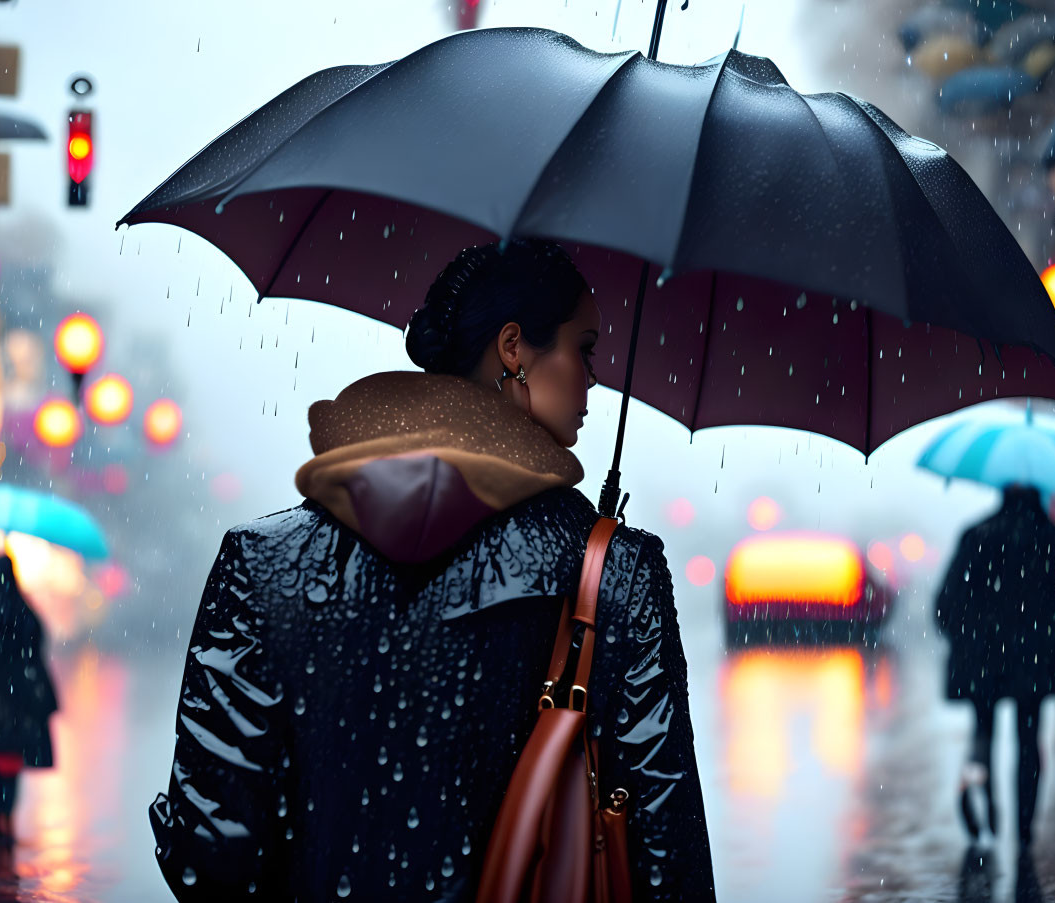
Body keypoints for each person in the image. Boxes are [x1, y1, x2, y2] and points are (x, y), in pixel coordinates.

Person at [150, 239, 716, 901]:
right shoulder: (614, 571)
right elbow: (664, 858)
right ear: (513, 348)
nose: (595, 378)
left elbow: (213, 854)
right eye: (583, 347)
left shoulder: (261, 558)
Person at [936, 484, 1055, 850]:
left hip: (984, 658)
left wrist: (967, 636)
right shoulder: (1054, 539)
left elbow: (945, 604)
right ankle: (1024, 828)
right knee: (1029, 741)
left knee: (983, 732)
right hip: (1033, 660)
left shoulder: (977, 535)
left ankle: (976, 782)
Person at [0, 555, 58, 846]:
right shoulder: (21, 609)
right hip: (16, 698)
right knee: (11, 761)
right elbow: (38, 639)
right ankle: (7, 818)